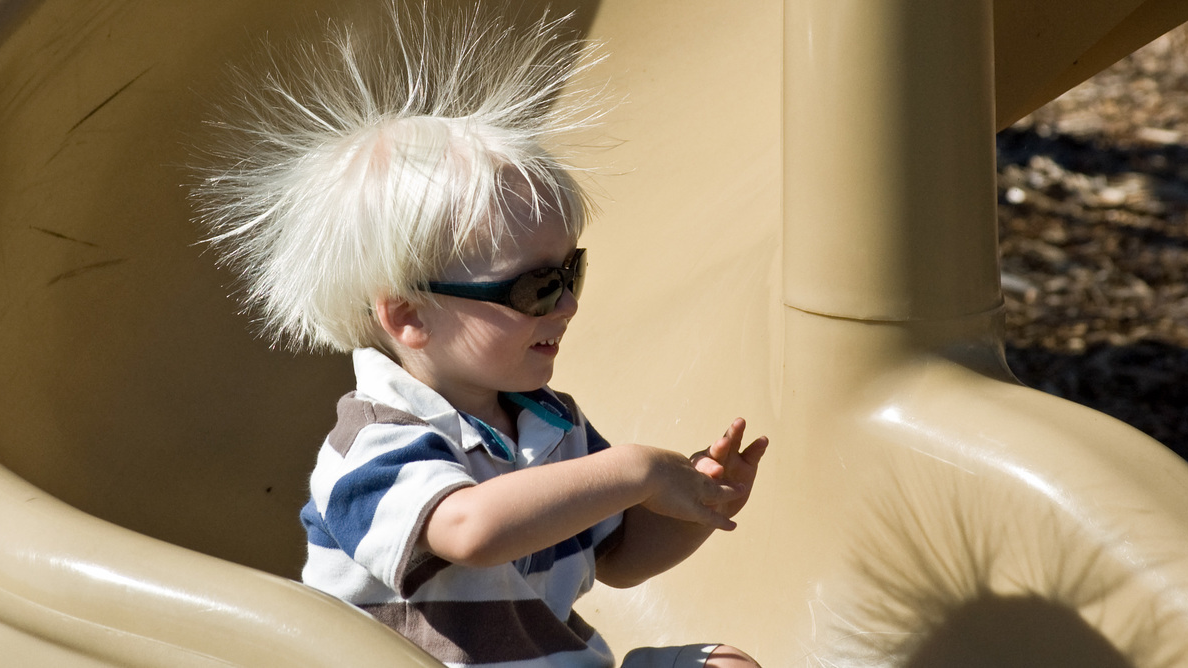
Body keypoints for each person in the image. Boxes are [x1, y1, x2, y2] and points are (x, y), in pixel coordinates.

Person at [192, 5, 767, 667]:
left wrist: (689, 505)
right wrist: (634, 469)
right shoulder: (373, 443)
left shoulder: (550, 423)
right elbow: (471, 529)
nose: (570, 304)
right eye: (536, 288)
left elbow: (620, 561)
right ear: (410, 316)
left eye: (570, 271)